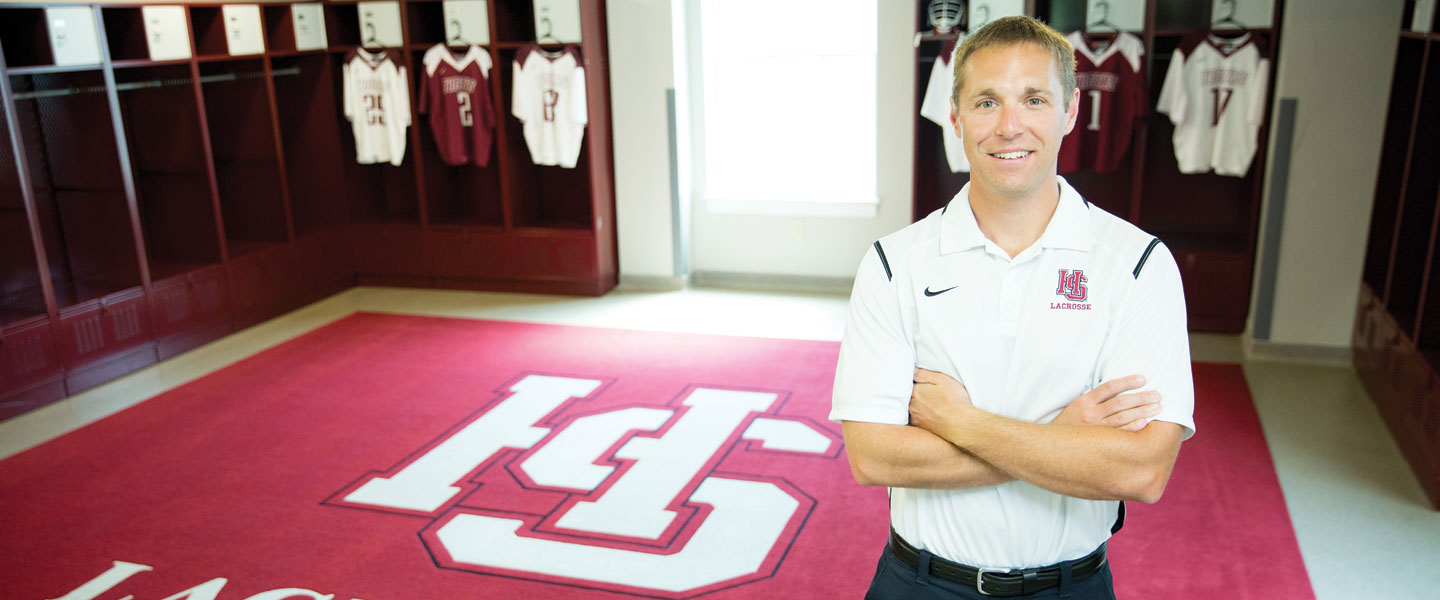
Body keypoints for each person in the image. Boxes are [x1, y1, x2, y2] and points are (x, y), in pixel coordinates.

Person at [830, 16, 1195, 600]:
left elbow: (1141, 471)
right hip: (919, 583)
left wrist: (961, 423)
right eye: (985, 102)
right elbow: (873, 456)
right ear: (955, 116)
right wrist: (1063, 437)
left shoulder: (1138, 265)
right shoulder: (894, 263)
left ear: (1070, 111)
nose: (1009, 126)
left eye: (1033, 99)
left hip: (1070, 587)